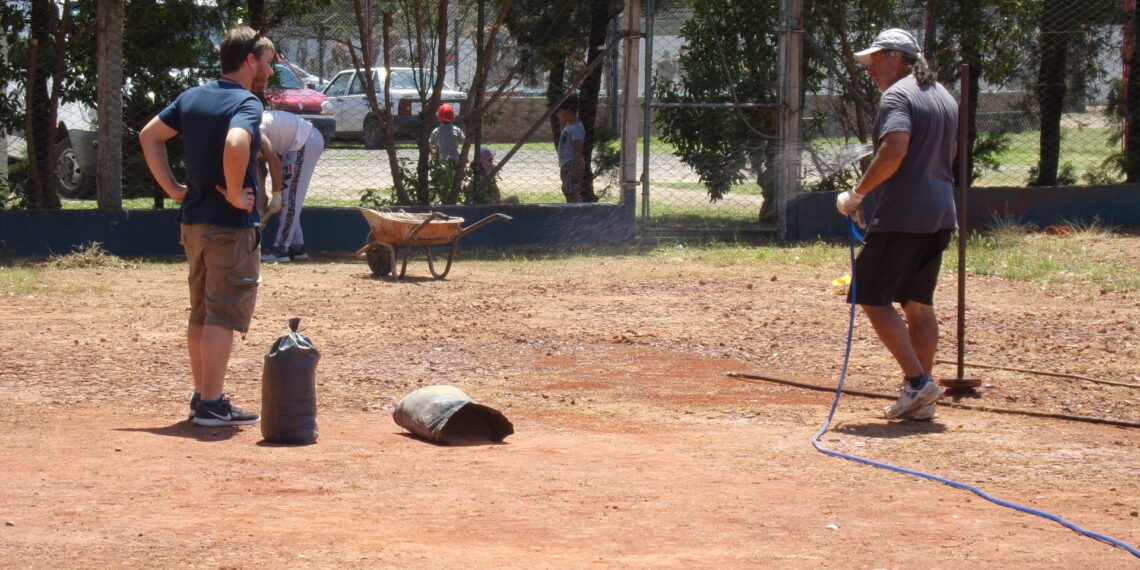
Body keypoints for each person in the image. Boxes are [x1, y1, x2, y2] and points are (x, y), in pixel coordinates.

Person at [138, 26, 275, 426]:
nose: (269, 69)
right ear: (250, 60)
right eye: (267, 61)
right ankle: (213, 404)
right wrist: (235, 193)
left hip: (194, 222)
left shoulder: (193, 96)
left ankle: (204, 397)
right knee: (221, 315)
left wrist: (174, 188)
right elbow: (236, 144)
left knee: (201, 312)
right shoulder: (245, 102)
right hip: (229, 226)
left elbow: (149, 136)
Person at [836, 28, 959, 421]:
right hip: (940, 213)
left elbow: (894, 151)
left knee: (871, 297)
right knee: (918, 303)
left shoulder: (898, 95)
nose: (870, 70)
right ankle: (918, 394)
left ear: (896, 57)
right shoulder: (943, 96)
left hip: (903, 216)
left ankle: (919, 382)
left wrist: (857, 194)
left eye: (874, 60)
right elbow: (949, 152)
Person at [257, 108, 325, 262]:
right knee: (289, 197)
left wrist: (276, 195)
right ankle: (297, 247)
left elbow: (274, 163)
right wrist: (261, 210)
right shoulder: (243, 134)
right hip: (294, 145)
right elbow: (260, 173)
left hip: (305, 141)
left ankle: (281, 250)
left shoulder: (254, 131)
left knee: (289, 197)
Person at [554, 94, 587, 203]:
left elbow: (579, 150)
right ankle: (572, 210)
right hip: (566, 164)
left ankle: (578, 212)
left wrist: (576, 169)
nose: (557, 114)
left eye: (560, 111)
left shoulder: (576, 128)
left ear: (568, 111)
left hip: (573, 163)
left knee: (572, 192)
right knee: (567, 190)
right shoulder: (569, 125)